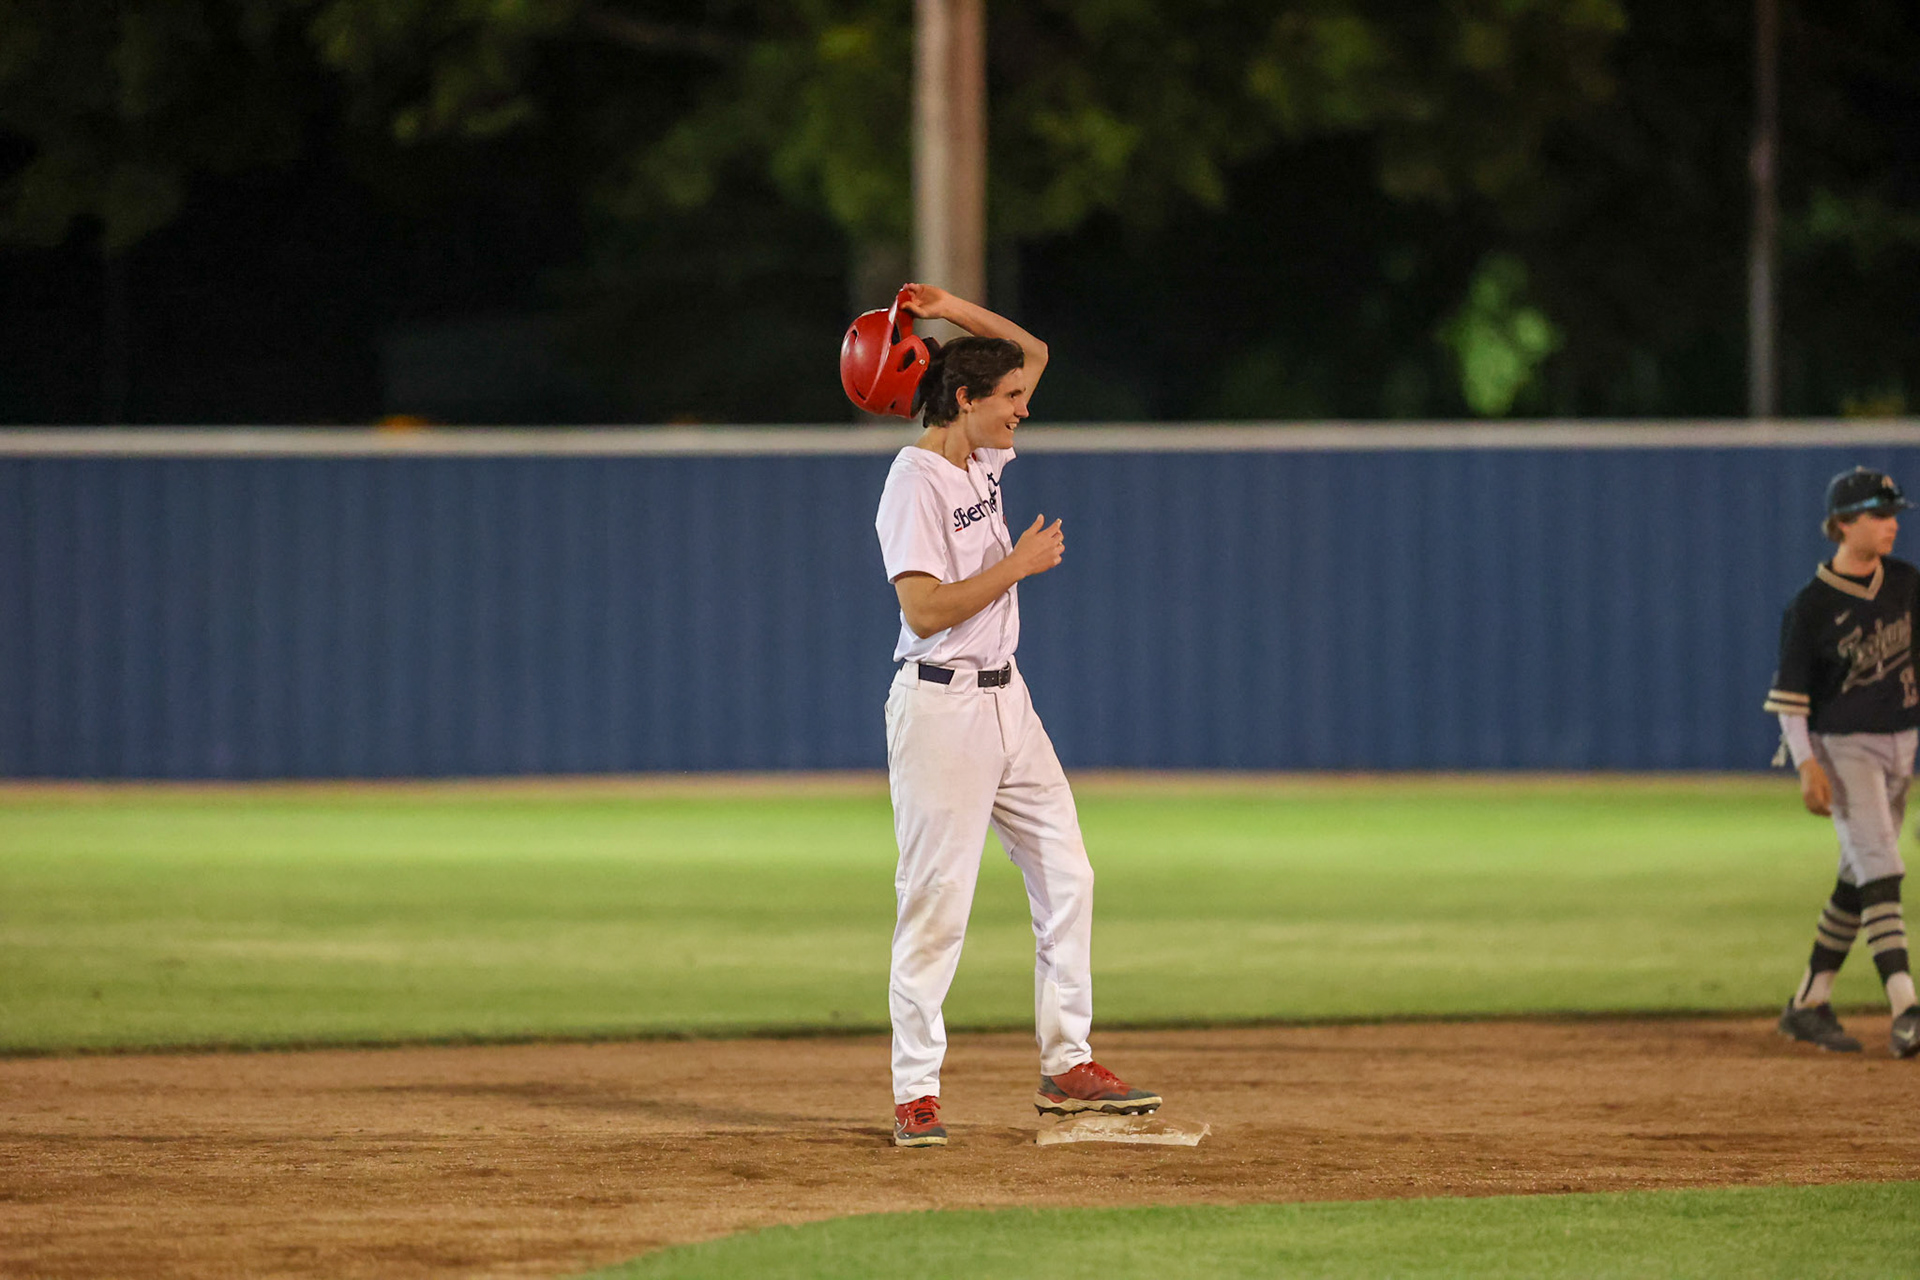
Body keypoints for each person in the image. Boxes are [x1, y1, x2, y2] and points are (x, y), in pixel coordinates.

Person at [870, 283, 1161, 1147]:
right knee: (937, 903)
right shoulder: (913, 481)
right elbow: (923, 609)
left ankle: (1068, 1065)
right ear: (965, 401)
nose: (1022, 413)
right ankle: (915, 1092)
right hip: (940, 707)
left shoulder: (979, 459)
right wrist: (1019, 565)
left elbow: (1031, 350)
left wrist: (953, 307)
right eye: (1008, 405)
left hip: (1009, 702)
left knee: (1069, 875)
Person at [1764, 466, 1920, 1058]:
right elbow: (1792, 700)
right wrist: (1808, 764)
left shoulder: (1906, 583)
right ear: (1843, 524)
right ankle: (1905, 1004)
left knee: (1859, 876)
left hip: (1902, 742)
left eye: (1893, 514)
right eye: (1879, 515)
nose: (1891, 526)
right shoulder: (1811, 606)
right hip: (1844, 746)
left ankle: (1808, 1002)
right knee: (1881, 863)